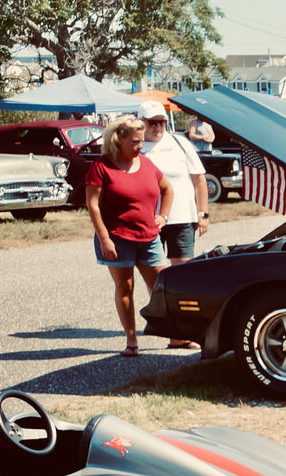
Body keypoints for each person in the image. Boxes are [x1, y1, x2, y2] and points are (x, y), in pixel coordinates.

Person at [85, 115, 173, 357]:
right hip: (117, 238)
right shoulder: (101, 166)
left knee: (163, 286)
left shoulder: (146, 164)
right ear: (117, 140)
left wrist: (163, 216)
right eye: (135, 142)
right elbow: (93, 205)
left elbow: (167, 189)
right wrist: (104, 238)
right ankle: (132, 339)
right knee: (125, 287)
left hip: (149, 236)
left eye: (141, 141)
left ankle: (176, 335)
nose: (140, 146)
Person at [137, 101, 209, 349]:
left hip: (181, 218)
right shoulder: (134, 146)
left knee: (183, 276)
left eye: (162, 122)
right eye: (152, 122)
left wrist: (203, 213)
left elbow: (199, 180)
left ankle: (186, 330)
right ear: (141, 123)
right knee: (156, 278)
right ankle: (169, 328)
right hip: (148, 219)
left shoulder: (180, 142)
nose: (158, 127)